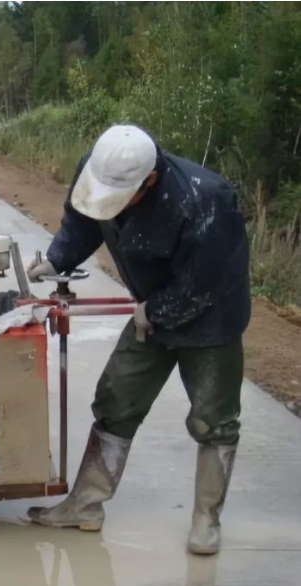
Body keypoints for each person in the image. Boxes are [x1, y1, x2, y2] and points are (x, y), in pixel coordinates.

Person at [26, 124, 251, 556]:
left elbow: (203, 285)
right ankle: (85, 506)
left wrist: (155, 311)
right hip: (152, 304)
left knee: (213, 419)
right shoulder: (100, 168)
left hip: (211, 317)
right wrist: (57, 258)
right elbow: (85, 220)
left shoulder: (205, 202)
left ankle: (206, 519)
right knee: (116, 400)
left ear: (148, 180)